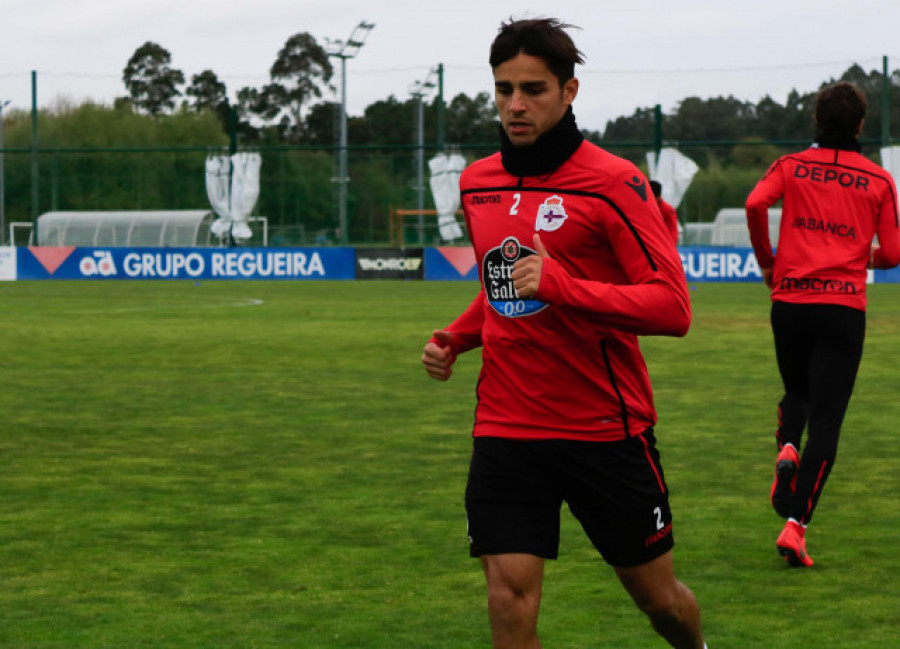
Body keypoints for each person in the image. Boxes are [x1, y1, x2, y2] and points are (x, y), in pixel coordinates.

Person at [421, 18, 706, 648]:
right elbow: (507, 285)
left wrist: (561, 284)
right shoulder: (477, 182)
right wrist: (457, 337)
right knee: (509, 596)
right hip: (506, 425)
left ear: (570, 91)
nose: (515, 105)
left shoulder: (614, 183)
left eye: (533, 89)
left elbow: (671, 308)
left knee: (660, 602)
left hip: (604, 428)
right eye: (503, 89)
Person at [745, 80, 900, 567]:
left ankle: (787, 446)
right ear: (860, 124)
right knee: (828, 421)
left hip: (789, 301)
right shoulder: (878, 180)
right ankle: (796, 527)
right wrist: (860, 255)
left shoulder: (790, 166)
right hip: (842, 309)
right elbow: (893, 253)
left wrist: (768, 260)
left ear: (816, 120)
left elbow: (754, 204)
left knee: (797, 393)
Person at [651, 179, 681, 245]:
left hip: (664, 246)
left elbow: (673, 232)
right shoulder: (645, 208)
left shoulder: (668, 211)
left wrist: (670, 247)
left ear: (659, 196)